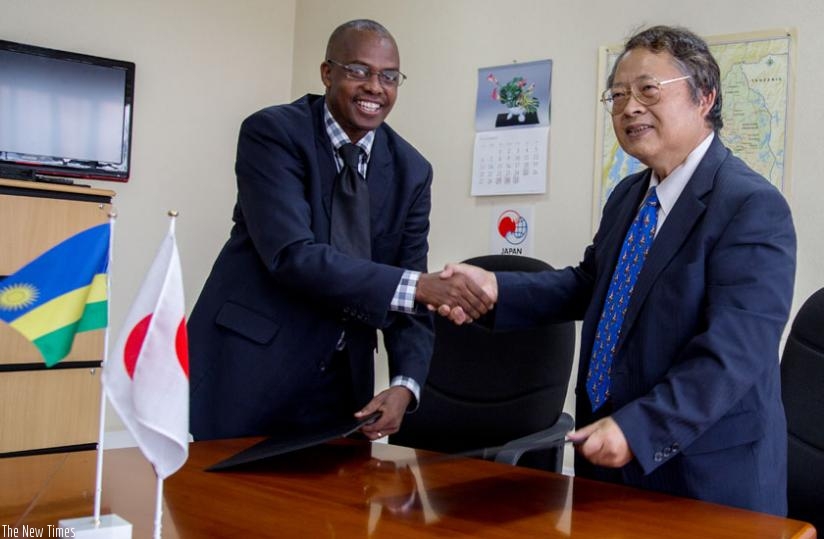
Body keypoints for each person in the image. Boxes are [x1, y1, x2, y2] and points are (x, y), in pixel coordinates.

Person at [440, 25, 796, 515]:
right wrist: (496, 288)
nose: (629, 108)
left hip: (704, 476)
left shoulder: (750, 205)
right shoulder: (630, 195)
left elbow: (735, 352)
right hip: (609, 458)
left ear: (705, 97)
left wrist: (639, 428)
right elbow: (591, 285)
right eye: (619, 95)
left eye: (648, 90)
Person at [188, 19, 492, 443]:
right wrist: (420, 286)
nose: (375, 87)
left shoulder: (412, 171)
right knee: (221, 487)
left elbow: (411, 290)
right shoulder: (272, 134)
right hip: (248, 370)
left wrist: (406, 384)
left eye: (389, 76)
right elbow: (293, 256)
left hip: (341, 389)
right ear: (327, 73)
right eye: (359, 70)